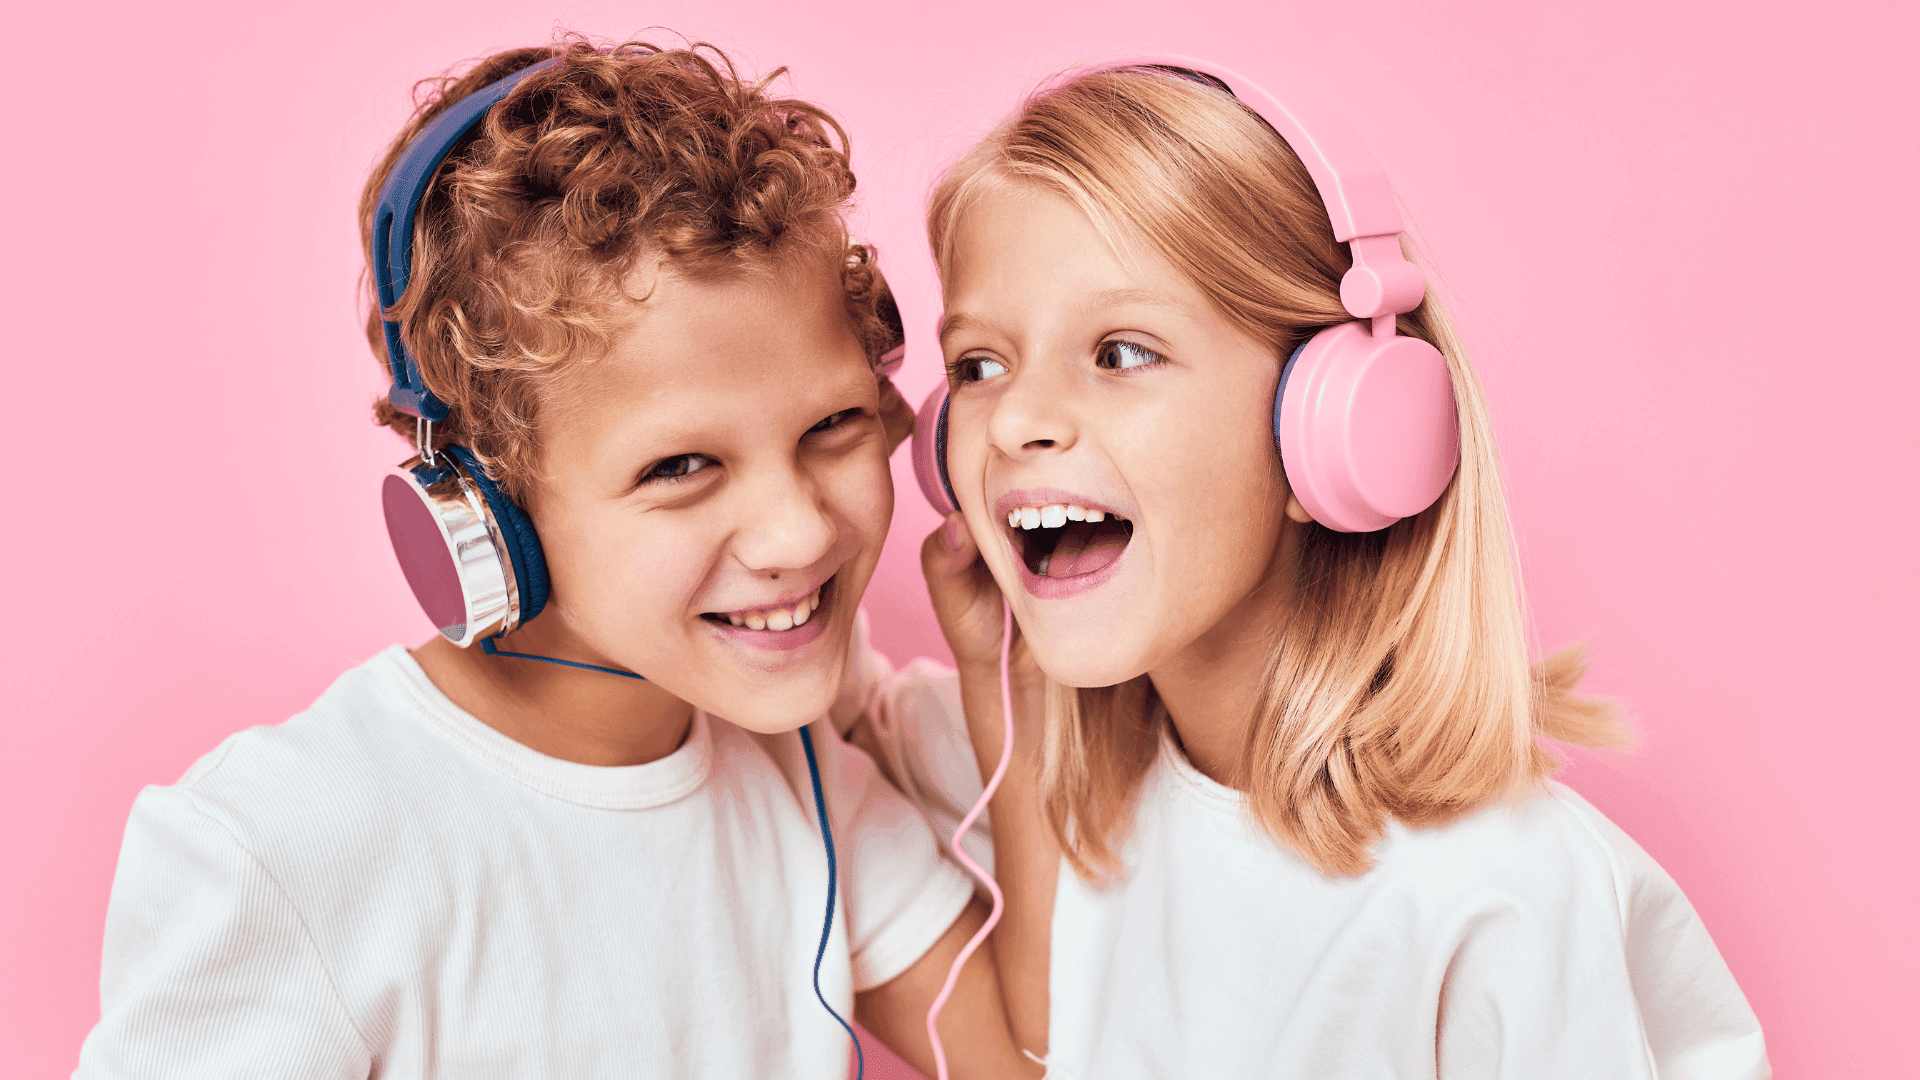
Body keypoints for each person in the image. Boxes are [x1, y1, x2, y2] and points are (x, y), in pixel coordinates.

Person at [74, 38, 1033, 1080]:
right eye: (680, 466)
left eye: (837, 422)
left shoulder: (803, 772)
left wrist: (997, 670)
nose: (798, 532)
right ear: (486, 508)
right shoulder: (283, 847)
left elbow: (1035, 1059)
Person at [887, 59, 1770, 1078]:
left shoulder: (1507, 894)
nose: (1019, 422)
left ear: (1338, 431)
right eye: (979, 367)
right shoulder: (1030, 765)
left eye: (1122, 352)